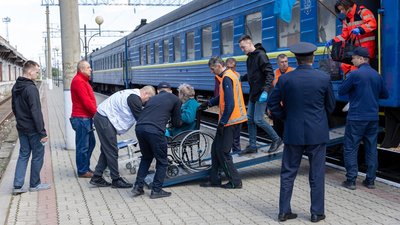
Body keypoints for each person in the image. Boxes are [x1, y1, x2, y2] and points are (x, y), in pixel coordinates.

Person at [267, 42, 336, 223]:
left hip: (293, 132)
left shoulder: (285, 79)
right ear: (312, 58)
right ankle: (316, 213)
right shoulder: (323, 78)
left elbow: (273, 105)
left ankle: (283, 212)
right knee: (316, 173)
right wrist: (319, 119)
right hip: (317, 133)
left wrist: (286, 117)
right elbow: (330, 105)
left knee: (288, 172)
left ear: (295, 60)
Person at [338, 47, 389, 190]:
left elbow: (342, 91)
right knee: (371, 148)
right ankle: (370, 181)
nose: (352, 60)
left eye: (354, 58)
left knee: (350, 148)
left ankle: (351, 180)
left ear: (361, 59)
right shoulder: (377, 75)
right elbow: (385, 95)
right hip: (372, 117)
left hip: (356, 117)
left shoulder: (355, 75)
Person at [89, 86, 156, 188]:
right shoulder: (134, 98)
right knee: (112, 150)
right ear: (146, 94)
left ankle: (97, 177)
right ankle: (116, 180)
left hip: (103, 117)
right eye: (147, 100)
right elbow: (141, 119)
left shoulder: (132, 94)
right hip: (105, 119)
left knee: (107, 149)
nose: (145, 103)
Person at [199, 56, 247, 189]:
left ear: (219, 65)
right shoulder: (230, 75)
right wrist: (209, 103)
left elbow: (230, 105)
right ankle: (215, 179)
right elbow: (223, 97)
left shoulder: (226, 78)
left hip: (230, 121)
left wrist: (222, 123)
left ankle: (235, 181)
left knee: (224, 152)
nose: (212, 72)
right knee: (215, 149)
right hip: (229, 120)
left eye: (212, 69)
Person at [132, 82, 181, 199]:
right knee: (162, 161)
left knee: (146, 158)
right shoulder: (175, 99)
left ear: (158, 91)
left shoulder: (152, 99)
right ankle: (156, 190)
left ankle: (138, 187)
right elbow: (176, 122)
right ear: (170, 90)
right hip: (155, 131)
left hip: (140, 128)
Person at [238, 35, 282, 155]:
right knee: (250, 119)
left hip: (262, 92)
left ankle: (276, 139)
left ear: (250, 43)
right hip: (254, 93)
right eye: (241, 48)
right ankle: (252, 145)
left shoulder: (261, 55)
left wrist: (266, 91)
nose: (243, 50)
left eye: (243, 47)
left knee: (258, 119)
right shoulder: (249, 58)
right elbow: (252, 74)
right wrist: (241, 78)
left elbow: (269, 74)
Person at [12, 60, 51, 194]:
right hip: (33, 129)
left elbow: (14, 108)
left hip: (21, 127)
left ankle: (17, 186)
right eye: (36, 72)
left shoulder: (16, 86)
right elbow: (36, 112)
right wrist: (42, 132)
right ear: (30, 71)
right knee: (38, 155)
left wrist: (20, 122)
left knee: (23, 155)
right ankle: (35, 184)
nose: (37, 74)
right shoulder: (31, 88)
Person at [326, 0, 377, 75]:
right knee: (345, 66)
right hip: (356, 49)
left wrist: (360, 29)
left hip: (366, 48)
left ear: (347, 6)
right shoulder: (346, 20)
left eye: (342, 9)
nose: (341, 12)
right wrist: (333, 40)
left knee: (354, 69)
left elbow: (372, 23)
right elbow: (344, 36)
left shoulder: (362, 12)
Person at [70, 60, 97, 178]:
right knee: (83, 146)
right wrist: (97, 114)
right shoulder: (78, 82)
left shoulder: (83, 81)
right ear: (81, 69)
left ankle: (85, 167)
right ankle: (82, 170)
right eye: (88, 67)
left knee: (91, 143)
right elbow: (86, 102)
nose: (90, 69)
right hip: (81, 118)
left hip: (85, 118)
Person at [272, 54, 294, 138]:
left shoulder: (293, 72)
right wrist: (270, 107)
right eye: (282, 62)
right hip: (278, 107)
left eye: (286, 61)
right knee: (278, 129)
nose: (284, 64)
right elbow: (272, 91)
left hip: (290, 107)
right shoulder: (274, 73)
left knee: (289, 130)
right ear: (278, 63)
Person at [225, 58, 242, 153]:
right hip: (228, 108)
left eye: (233, 67)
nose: (231, 69)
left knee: (236, 137)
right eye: (228, 67)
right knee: (229, 136)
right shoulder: (224, 76)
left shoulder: (237, 75)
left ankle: (236, 153)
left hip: (236, 109)